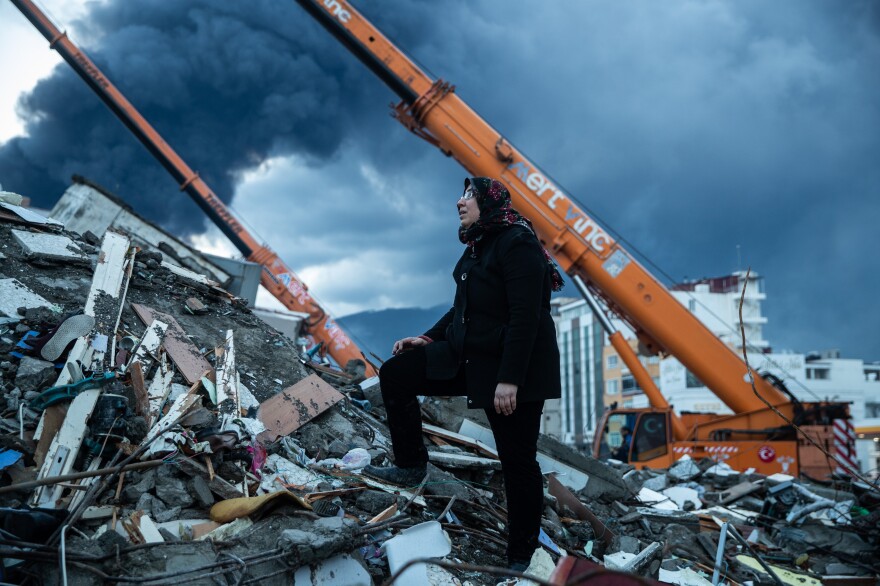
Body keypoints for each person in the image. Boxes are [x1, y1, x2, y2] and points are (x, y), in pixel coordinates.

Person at [363, 177, 563, 570]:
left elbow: (527, 317)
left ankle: (521, 556)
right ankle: (410, 464)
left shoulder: (517, 243)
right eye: (461, 194)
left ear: (489, 202)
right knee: (398, 373)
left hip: (513, 366)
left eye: (469, 195)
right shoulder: (480, 246)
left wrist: (511, 380)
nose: (459, 201)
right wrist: (427, 338)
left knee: (517, 462)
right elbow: (462, 310)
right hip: (473, 356)